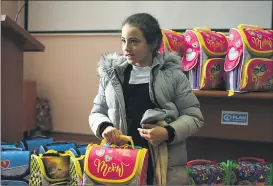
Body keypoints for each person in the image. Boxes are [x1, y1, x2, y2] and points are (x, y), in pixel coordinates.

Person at [89, 13, 204, 185]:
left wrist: (167, 133)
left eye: (134, 41)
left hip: (161, 165)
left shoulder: (173, 76)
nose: (126, 48)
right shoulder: (112, 76)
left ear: (153, 43)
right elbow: (97, 112)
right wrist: (105, 127)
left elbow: (194, 116)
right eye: (123, 40)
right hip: (120, 162)